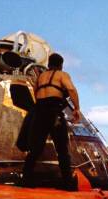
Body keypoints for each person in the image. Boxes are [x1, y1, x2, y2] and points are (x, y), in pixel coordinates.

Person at [22, 53, 82, 190]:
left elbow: (36, 92)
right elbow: (71, 89)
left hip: (39, 111)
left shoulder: (41, 77)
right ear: (61, 65)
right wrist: (77, 108)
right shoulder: (62, 75)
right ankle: (67, 183)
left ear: (49, 64)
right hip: (53, 111)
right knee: (61, 148)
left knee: (35, 149)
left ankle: (26, 180)